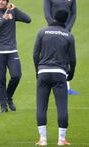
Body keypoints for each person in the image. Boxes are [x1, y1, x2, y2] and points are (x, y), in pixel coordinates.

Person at [33, 9, 75, 146]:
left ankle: (43, 139)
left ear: (54, 18)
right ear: (65, 20)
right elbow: (72, 59)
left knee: (41, 106)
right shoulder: (68, 35)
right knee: (62, 106)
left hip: (43, 72)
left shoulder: (42, 32)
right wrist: (72, 71)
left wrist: (37, 70)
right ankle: (61, 139)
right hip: (60, 73)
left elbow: (35, 54)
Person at [0, 0, 31, 112]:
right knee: (1, 79)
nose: (0, 1)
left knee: (16, 75)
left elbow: (28, 20)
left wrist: (16, 9)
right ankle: (3, 105)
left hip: (12, 51)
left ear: (7, 2)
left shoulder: (12, 13)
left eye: (3, 0)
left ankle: (8, 97)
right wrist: (3, 20)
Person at [43, 0, 79, 95]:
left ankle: (67, 86)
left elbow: (73, 14)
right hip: (52, 31)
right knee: (54, 56)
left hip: (66, 32)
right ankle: (53, 83)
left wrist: (67, 29)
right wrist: (55, 27)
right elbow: (47, 14)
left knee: (67, 56)